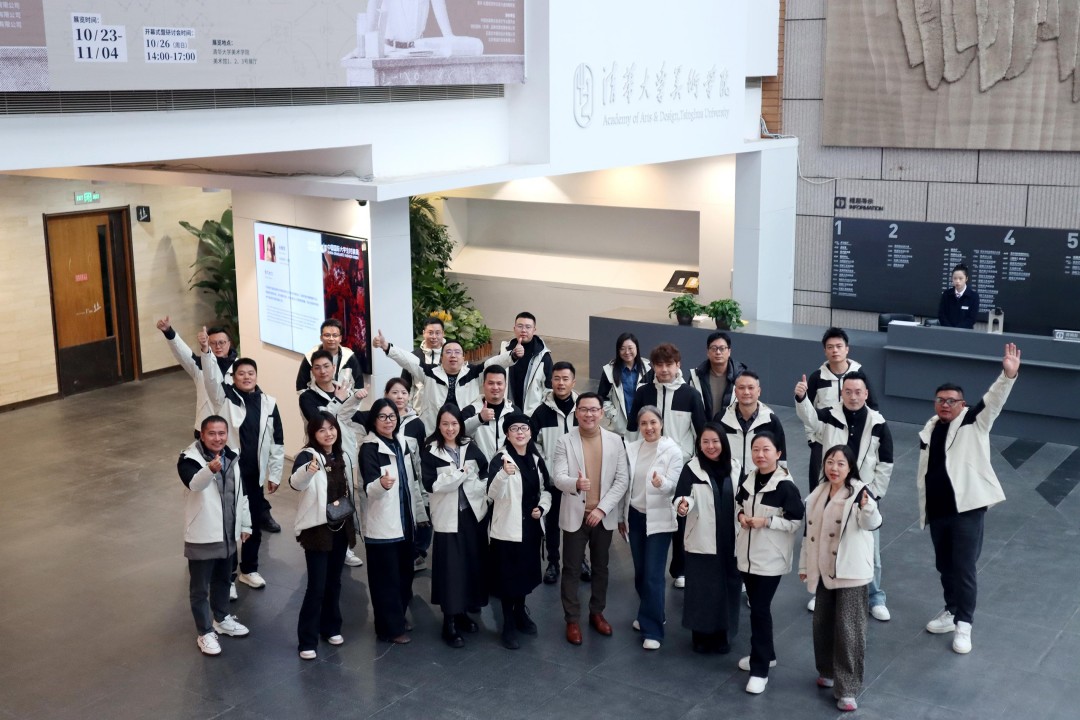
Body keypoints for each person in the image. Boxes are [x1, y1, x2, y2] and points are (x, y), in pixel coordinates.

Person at [919, 343, 1020, 655]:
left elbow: (993, 401)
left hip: (967, 511)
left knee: (964, 568)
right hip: (938, 511)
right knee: (944, 565)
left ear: (962, 404)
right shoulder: (930, 428)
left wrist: (1008, 376)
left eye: (952, 401)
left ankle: (964, 624)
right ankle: (951, 611)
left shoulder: (973, 421)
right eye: (941, 400)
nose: (945, 405)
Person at [795, 369, 893, 620]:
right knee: (826, 541)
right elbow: (810, 419)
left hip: (863, 494)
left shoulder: (878, 423)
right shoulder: (830, 415)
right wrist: (802, 398)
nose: (853, 396)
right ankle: (823, 589)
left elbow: (885, 463)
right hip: (832, 489)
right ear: (842, 393)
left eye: (858, 392)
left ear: (866, 394)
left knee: (870, 549)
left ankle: (874, 597)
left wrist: (874, 493)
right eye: (848, 392)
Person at [798, 444, 882, 713]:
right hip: (824, 569)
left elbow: (872, 523)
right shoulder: (819, 492)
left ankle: (848, 688)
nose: (834, 468)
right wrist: (805, 565)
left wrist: (868, 508)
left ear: (850, 467)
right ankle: (827, 670)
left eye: (840, 463)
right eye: (830, 462)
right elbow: (809, 533)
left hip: (850, 572)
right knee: (822, 623)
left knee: (849, 629)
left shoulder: (860, 492)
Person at [201, 339, 284, 591]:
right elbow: (211, 380)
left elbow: (277, 440)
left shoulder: (269, 402)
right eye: (241, 373)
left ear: (256, 376)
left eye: (251, 373)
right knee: (228, 525)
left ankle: (249, 570)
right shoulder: (224, 396)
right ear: (233, 377)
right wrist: (206, 352)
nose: (246, 377)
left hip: (255, 474)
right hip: (230, 473)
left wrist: (275, 474)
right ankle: (226, 578)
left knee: (254, 524)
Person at [626, 343, 705, 589]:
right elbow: (632, 429)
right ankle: (648, 568)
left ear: (678, 365)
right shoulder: (643, 392)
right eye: (659, 365)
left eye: (669, 364)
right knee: (649, 514)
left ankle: (679, 568)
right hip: (648, 467)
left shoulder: (690, 395)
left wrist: (697, 466)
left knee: (680, 516)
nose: (664, 369)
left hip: (681, 468)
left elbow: (701, 433)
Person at [553, 392, 630, 646]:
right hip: (575, 514)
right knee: (571, 568)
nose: (589, 414)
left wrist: (602, 509)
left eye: (594, 409)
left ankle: (597, 612)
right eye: (584, 409)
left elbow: (622, 480)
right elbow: (558, 477)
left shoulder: (615, 441)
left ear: (601, 413)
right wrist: (575, 483)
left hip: (602, 517)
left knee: (601, 567)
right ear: (576, 413)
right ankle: (572, 619)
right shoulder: (565, 441)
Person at [735, 431, 804, 695]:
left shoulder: (785, 486)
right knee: (758, 608)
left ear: (778, 453)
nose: (760, 455)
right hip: (747, 556)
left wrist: (766, 522)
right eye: (756, 449)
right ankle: (767, 655)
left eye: (766, 450)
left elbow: (795, 521)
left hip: (770, 559)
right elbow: (739, 503)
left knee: (760, 610)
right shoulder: (749, 478)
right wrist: (741, 516)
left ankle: (759, 669)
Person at [177, 415, 252, 656]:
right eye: (212, 433)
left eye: (222, 433)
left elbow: (241, 493)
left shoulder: (232, 456)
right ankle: (205, 632)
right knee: (200, 588)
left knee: (223, 580)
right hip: (203, 534)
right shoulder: (189, 458)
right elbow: (194, 484)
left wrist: (245, 524)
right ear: (202, 435)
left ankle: (221, 618)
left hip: (228, 534)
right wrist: (209, 470)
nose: (217, 438)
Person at [339, 376, 430, 570]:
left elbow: (417, 466)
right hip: (380, 502)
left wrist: (421, 503)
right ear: (386, 394)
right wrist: (355, 398)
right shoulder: (371, 423)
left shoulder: (416, 424)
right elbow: (342, 417)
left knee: (404, 559)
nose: (400, 396)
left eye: (404, 392)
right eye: (394, 392)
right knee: (385, 562)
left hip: (406, 498)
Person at [358, 398, 428, 644]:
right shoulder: (369, 448)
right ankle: (389, 629)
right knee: (385, 580)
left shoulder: (401, 442)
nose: (388, 421)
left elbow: (413, 482)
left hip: (405, 522)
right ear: (374, 420)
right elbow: (368, 488)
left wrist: (419, 514)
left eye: (392, 416)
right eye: (382, 417)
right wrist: (381, 484)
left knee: (404, 576)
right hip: (383, 526)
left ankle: (398, 618)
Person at [289, 413, 356, 660]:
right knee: (316, 585)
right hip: (317, 529)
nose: (328, 434)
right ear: (313, 434)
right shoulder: (307, 456)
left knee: (334, 582)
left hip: (340, 524)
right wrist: (308, 471)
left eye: (332, 428)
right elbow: (295, 483)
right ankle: (307, 640)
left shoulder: (341, 455)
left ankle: (330, 627)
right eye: (321, 430)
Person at [421, 405, 489, 648]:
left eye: (454, 423)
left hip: (471, 516)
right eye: (445, 424)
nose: (450, 429)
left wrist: (478, 488)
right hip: (447, 518)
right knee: (450, 570)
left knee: (470, 566)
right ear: (438, 425)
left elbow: (485, 473)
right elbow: (432, 485)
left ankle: (462, 612)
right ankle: (448, 621)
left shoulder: (470, 446)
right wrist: (459, 475)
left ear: (460, 424)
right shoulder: (431, 451)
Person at [620, 405, 684, 650]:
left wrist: (661, 483)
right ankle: (652, 611)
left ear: (661, 424)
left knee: (653, 575)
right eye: (644, 423)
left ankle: (654, 631)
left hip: (659, 519)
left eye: (653, 422)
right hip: (635, 517)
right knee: (640, 573)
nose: (649, 428)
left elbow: (674, 486)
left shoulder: (672, 451)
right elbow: (625, 485)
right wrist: (621, 517)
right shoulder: (632, 448)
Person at [486, 412, 551, 649]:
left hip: (530, 528)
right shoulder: (500, 459)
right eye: (514, 429)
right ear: (507, 433)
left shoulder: (535, 458)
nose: (520, 432)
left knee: (524, 574)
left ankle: (521, 612)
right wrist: (504, 474)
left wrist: (542, 508)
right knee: (508, 578)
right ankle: (508, 623)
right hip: (507, 529)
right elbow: (490, 494)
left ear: (531, 433)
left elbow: (546, 490)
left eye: (524, 428)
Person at [674, 423, 740, 655]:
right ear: (699, 445)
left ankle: (724, 635)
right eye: (705, 442)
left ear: (723, 443)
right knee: (702, 590)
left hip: (730, 539)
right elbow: (682, 496)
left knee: (727, 588)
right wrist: (682, 505)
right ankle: (701, 636)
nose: (711, 446)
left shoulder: (735, 467)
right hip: (702, 538)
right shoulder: (691, 469)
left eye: (715, 441)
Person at [372, 330, 512, 432]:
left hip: (466, 431)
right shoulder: (430, 372)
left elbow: (492, 363)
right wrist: (387, 346)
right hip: (433, 431)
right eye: (448, 352)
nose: (453, 356)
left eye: (457, 352)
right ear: (441, 358)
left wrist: (512, 356)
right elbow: (409, 360)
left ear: (463, 358)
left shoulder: (474, 373)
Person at [803, 328, 877, 488]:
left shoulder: (859, 374)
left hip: (854, 438)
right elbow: (807, 411)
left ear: (847, 349)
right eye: (830, 347)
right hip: (823, 439)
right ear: (825, 351)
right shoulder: (817, 377)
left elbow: (873, 407)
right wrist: (812, 439)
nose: (835, 350)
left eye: (839, 346)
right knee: (818, 486)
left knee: (855, 484)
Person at [530, 361, 581, 585]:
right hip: (553, 480)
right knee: (552, 523)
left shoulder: (583, 409)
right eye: (557, 379)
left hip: (578, 480)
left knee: (578, 522)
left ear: (573, 382)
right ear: (551, 381)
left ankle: (580, 560)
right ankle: (553, 562)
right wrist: (547, 466)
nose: (561, 383)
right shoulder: (541, 412)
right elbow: (533, 444)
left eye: (565, 379)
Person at [156, 317, 237, 437]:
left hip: (232, 428)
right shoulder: (199, 366)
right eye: (213, 343)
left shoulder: (240, 368)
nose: (218, 346)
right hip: (205, 427)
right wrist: (168, 331)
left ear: (229, 344)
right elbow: (182, 352)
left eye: (221, 342)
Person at [717, 370, 787, 481]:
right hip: (728, 482)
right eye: (741, 388)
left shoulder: (771, 421)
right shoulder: (721, 419)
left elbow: (781, 459)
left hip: (760, 483)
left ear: (759, 391)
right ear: (735, 391)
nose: (746, 392)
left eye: (751, 388)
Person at [597, 332, 651, 439]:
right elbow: (601, 397)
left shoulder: (648, 370)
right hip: (620, 425)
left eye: (630, 348)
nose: (627, 352)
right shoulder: (609, 370)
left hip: (643, 423)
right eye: (622, 349)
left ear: (637, 348)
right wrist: (613, 414)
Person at [499, 312, 553, 416]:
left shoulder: (543, 355)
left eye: (528, 327)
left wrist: (541, 411)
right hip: (508, 411)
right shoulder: (504, 351)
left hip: (532, 414)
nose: (523, 330)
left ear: (534, 330)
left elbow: (549, 387)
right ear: (514, 328)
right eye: (520, 326)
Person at [687, 331, 748, 421]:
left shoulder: (741, 376)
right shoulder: (696, 376)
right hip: (703, 428)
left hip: (731, 428)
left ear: (729, 351)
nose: (718, 352)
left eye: (722, 348)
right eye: (714, 348)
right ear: (708, 352)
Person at [462, 366, 517, 460]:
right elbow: (458, 433)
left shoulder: (514, 412)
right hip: (478, 467)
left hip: (506, 467)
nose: (495, 387)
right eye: (491, 383)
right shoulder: (471, 410)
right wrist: (479, 418)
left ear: (505, 385)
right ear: (483, 384)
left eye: (499, 383)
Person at [295, 319, 365, 393]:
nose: (331, 339)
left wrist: (356, 396)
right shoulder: (310, 357)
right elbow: (301, 387)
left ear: (340, 338)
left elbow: (358, 387)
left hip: (344, 399)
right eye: (327, 335)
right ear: (321, 338)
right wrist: (310, 399)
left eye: (335, 335)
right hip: (316, 399)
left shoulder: (349, 356)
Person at [402, 316, 446, 409]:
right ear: (423, 333)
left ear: (443, 334)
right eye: (430, 333)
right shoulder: (414, 356)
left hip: (444, 412)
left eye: (437, 333)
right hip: (419, 411)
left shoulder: (449, 355)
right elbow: (405, 386)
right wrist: (408, 410)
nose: (434, 337)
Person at [938, 263, 981, 329]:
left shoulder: (973, 296)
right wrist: (950, 329)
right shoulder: (946, 294)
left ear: (966, 279)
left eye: (960, 278)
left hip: (965, 332)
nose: (957, 281)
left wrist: (958, 330)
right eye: (955, 278)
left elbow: (972, 318)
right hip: (947, 331)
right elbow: (942, 315)